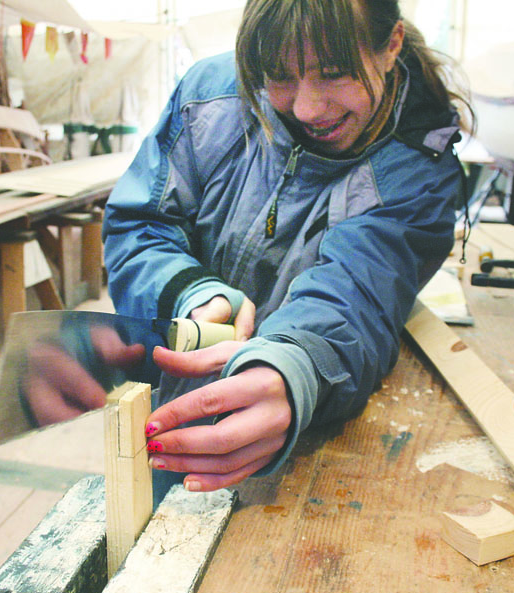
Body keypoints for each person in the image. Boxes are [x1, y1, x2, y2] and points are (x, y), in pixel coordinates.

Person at [33, 0, 471, 495]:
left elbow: (357, 295)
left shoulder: (417, 170)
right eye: (279, 76)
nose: (306, 108)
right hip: (175, 417)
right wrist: (188, 293)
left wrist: (293, 368)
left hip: (305, 442)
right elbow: (142, 224)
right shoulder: (209, 99)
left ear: (390, 46)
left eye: (334, 73)